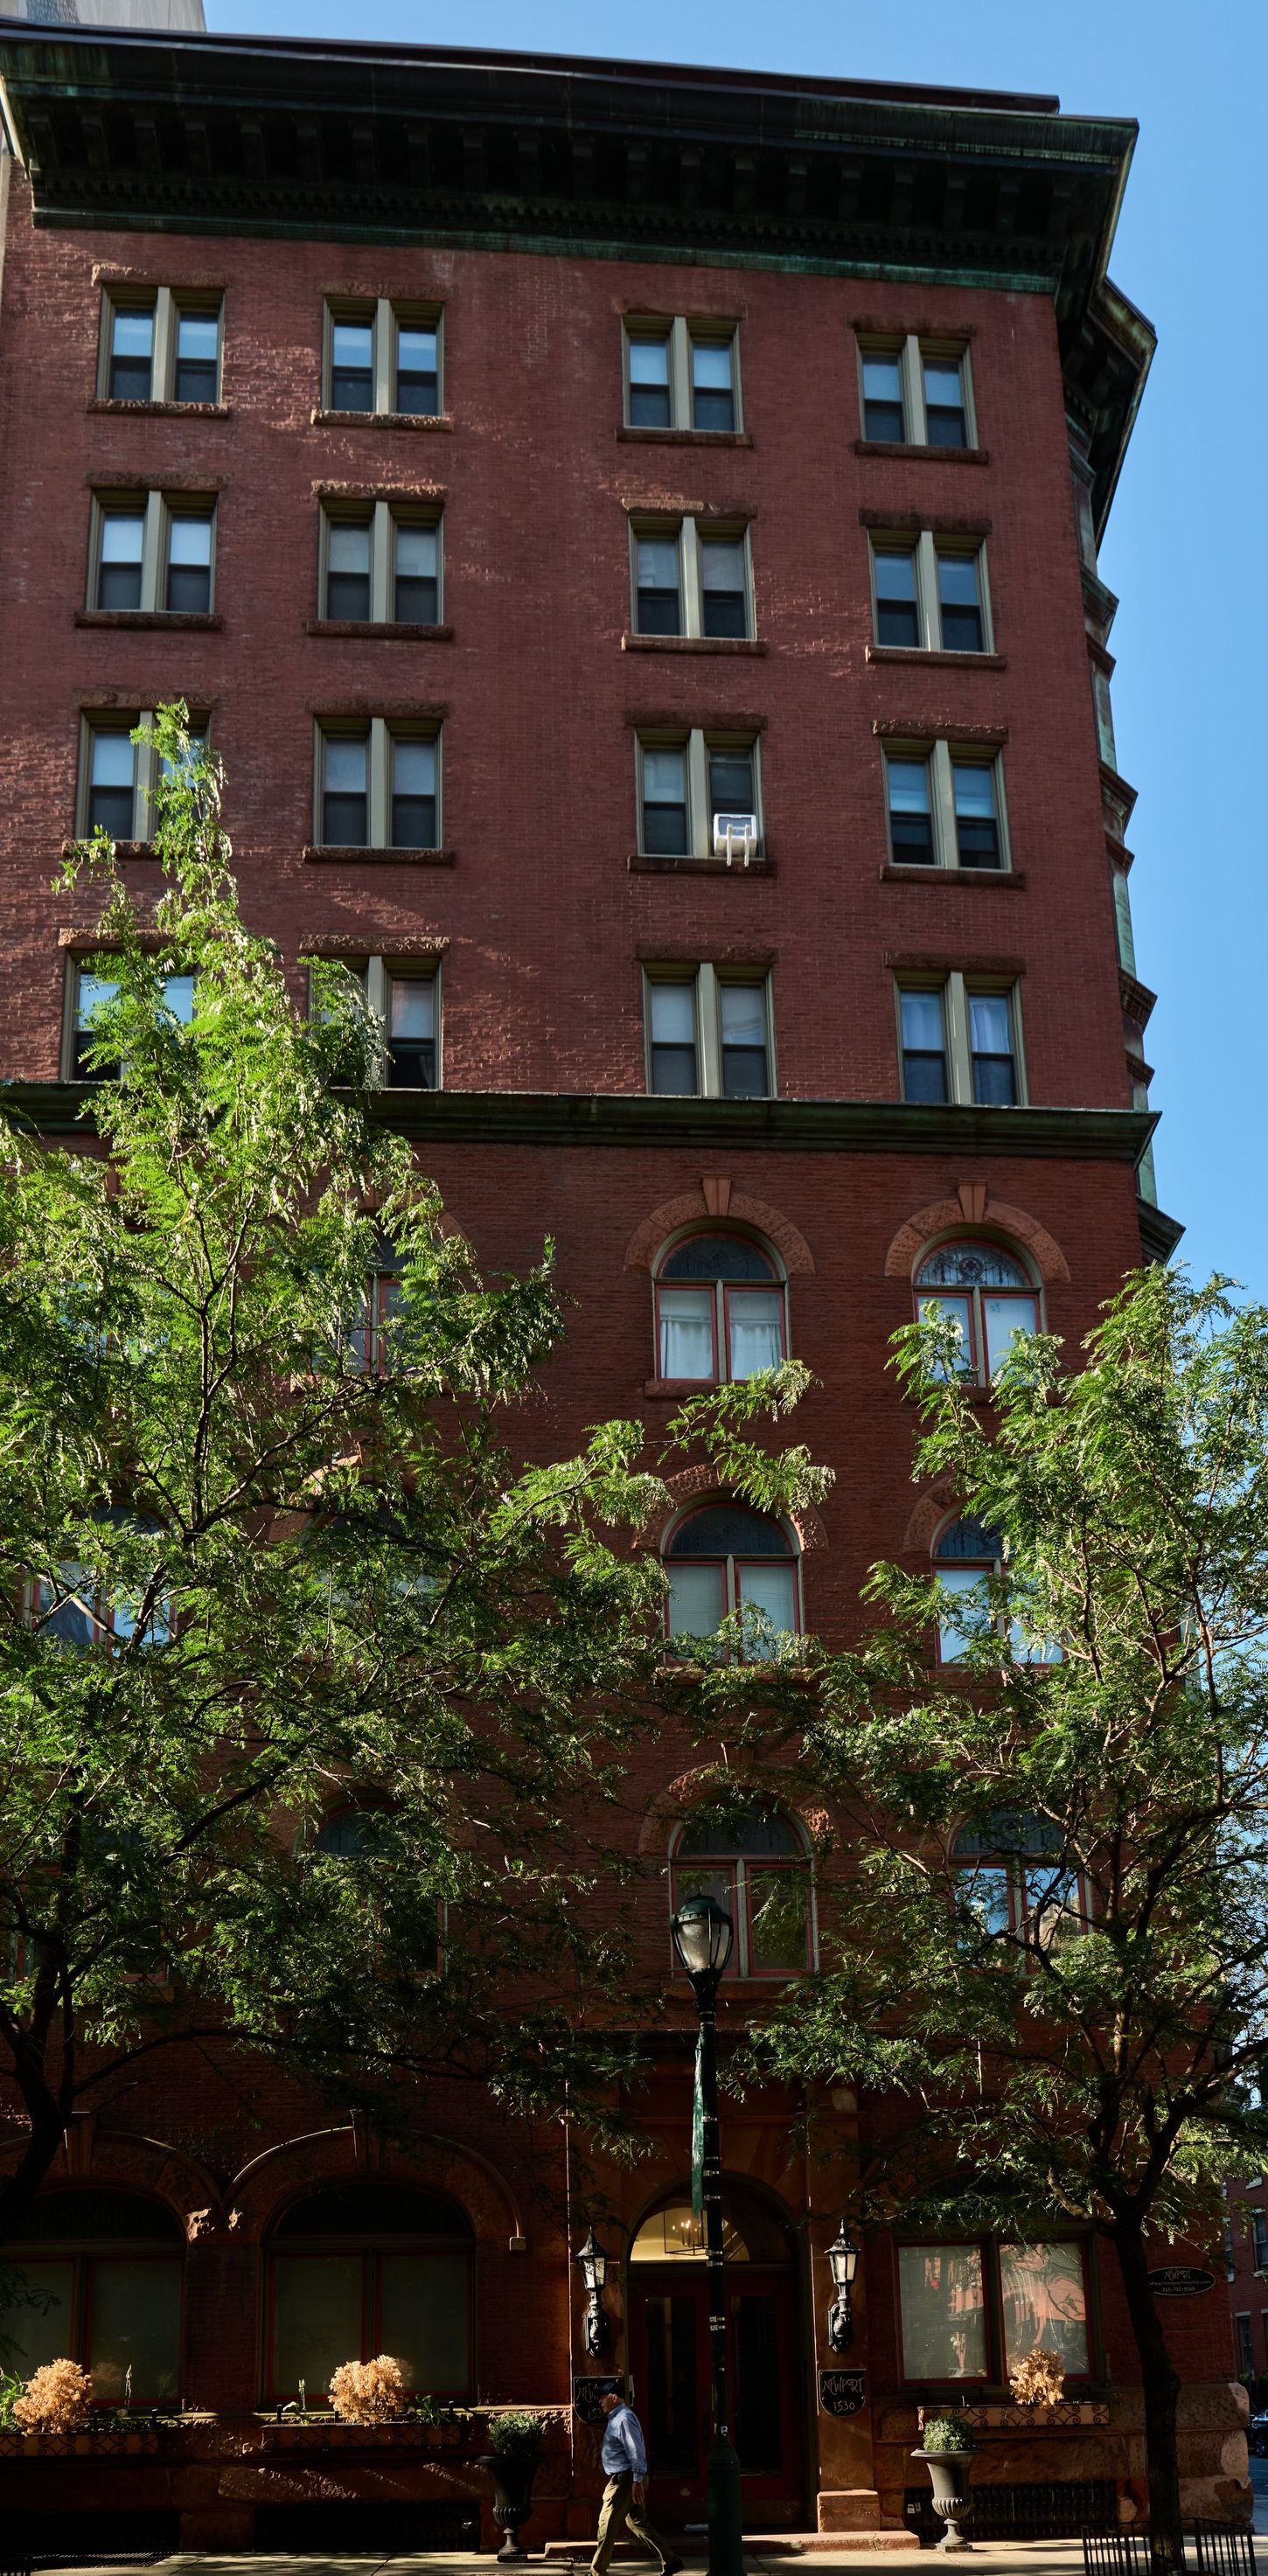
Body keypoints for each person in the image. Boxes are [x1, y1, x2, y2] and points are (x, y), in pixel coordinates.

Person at [590, 2387, 684, 2576]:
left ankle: (597, 2571)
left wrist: (637, 2479)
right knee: (637, 2522)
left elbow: (635, 2450)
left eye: (603, 2398)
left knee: (606, 2524)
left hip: (625, 2479)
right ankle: (671, 2561)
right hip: (625, 2478)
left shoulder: (624, 2418)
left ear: (614, 2397)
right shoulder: (617, 2417)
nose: (600, 2402)